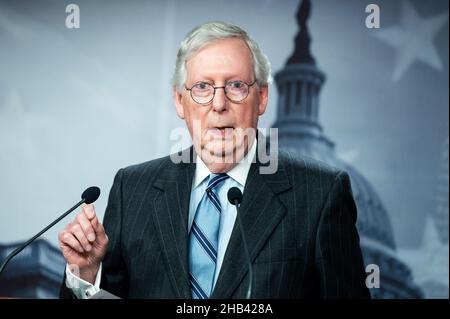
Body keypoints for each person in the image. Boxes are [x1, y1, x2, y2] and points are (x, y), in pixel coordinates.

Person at [59, 21, 370, 299]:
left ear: (261, 97)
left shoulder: (321, 193)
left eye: (236, 86)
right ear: (180, 101)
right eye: (203, 87)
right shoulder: (133, 188)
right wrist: (84, 275)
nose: (218, 104)